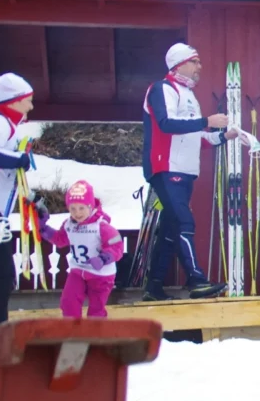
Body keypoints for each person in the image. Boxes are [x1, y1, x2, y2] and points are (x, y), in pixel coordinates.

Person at [140, 43, 233, 301]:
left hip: (185, 171)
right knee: (184, 222)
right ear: (179, 64)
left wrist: (226, 135)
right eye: (195, 61)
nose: (199, 66)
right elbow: (166, 124)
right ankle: (196, 280)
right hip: (165, 167)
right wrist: (207, 121)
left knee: (171, 230)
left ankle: (154, 288)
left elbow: (197, 137)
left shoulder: (190, 95)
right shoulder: (162, 89)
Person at [36, 181, 123, 318]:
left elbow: (117, 246)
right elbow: (60, 239)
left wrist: (103, 258)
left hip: (101, 275)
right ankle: (73, 331)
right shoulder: (69, 224)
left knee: (96, 309)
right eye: (73, 209)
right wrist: (43, 228)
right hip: (78, 271)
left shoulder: (101, 226)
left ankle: (96, 335)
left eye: (82, 208)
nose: (77, 213)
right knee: (69, 301)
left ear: (90, 206)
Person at [0, 73, 34, 324]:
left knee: (4, 272)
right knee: (2, 272)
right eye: (27, 101)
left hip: (0, 212)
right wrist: (18, 159)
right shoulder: (1, 122)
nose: (30, 106)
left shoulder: (8, 125)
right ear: (12, 101)